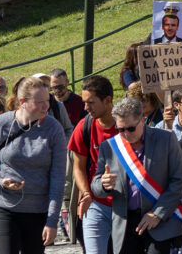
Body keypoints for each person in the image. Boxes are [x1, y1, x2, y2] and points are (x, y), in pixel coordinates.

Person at [0, 77, 67, 254]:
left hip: (37, 210)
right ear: (23, 102)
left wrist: (52, 220)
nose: (45, 107)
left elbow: (58, 178)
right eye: (39, 102)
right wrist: (0, 181)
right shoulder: (1, 124)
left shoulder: (54, 129)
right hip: (4, 207)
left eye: (47, 101)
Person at [92, 97, 182, 254]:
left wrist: (157, 214)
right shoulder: (109, 147)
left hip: (159, 222)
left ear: (143, 120)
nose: (125, 134)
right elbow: (95, 187)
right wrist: (103, 184)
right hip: (125, 224)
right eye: (120, 129)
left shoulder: (167, 139)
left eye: (130, 128)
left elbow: (179, 180)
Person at [69, 76, 120, 254]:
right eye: (84, 102)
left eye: (90, 102)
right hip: (96, 204)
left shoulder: (128, 126)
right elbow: (78, 167)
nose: (85, 107)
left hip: (125, 205)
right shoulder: (84, 126)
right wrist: (86, 194)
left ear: (108, 101)